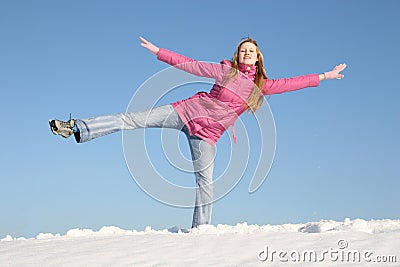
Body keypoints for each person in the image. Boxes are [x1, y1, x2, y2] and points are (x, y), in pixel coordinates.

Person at [49, 37, 346, 228]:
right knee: (132, 119)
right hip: (185, 111)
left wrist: (325, 75)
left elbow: (294, 82)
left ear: (258, 59)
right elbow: (189, 65)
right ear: (238, 55)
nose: (246, 54)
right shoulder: (224, 71)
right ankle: (77, 127)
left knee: (206, 184)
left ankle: (200, 233)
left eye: (251, 52)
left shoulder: (261, 87)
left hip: (207, 136)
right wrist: (159, 52)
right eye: (243, 50)